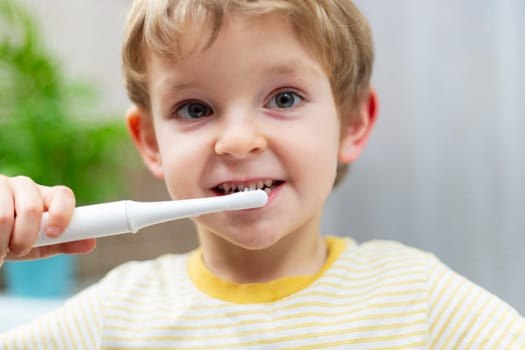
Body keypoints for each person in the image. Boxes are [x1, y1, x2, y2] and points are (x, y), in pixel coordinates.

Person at [1, 0, 524, 348]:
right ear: (151, 142)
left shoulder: (421, 302)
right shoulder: (113, 319)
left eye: (284, 98)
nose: (238, 140)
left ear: (354, 121)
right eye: (194, 108)